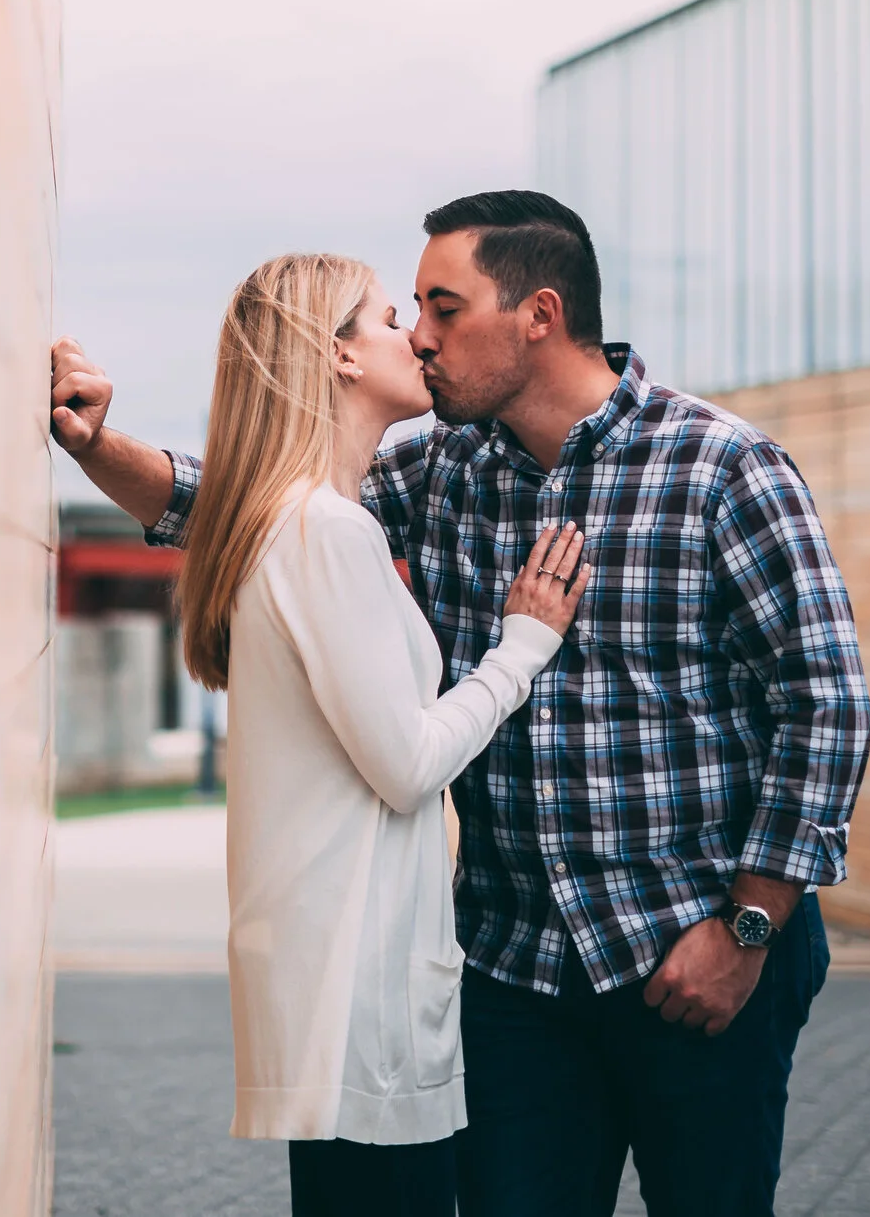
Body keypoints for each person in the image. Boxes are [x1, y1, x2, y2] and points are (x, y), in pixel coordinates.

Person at [51, 191, 870, 1217]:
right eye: (409, 313)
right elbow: (249, 503)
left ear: (537, 314)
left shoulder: (721, 465)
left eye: (444, 307)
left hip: (693, 956)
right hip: (513, 978)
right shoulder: (442, 468)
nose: (423, 337)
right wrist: (94, 445)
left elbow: (825, 703)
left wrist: (748, 927)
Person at [172, 252, 588, 1217]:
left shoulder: (302, 520)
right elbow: (406, 765)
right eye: (394, 319)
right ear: (341, 354)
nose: (420, 340)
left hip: (345, 982)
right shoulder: (325, 530)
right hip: (359, 995)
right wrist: (522, 647)